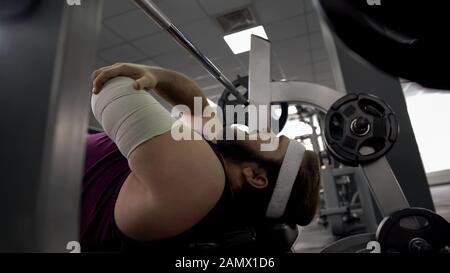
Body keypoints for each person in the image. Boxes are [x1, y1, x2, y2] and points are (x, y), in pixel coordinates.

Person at [81, 63, 320, 252]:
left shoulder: (202, 181)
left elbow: (109, 88)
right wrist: (155, 75)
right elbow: (195, 101)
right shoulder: (217, 168)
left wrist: (134, 78)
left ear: (256, 176)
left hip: (46, 176)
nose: (267, 132)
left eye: (275, 142)